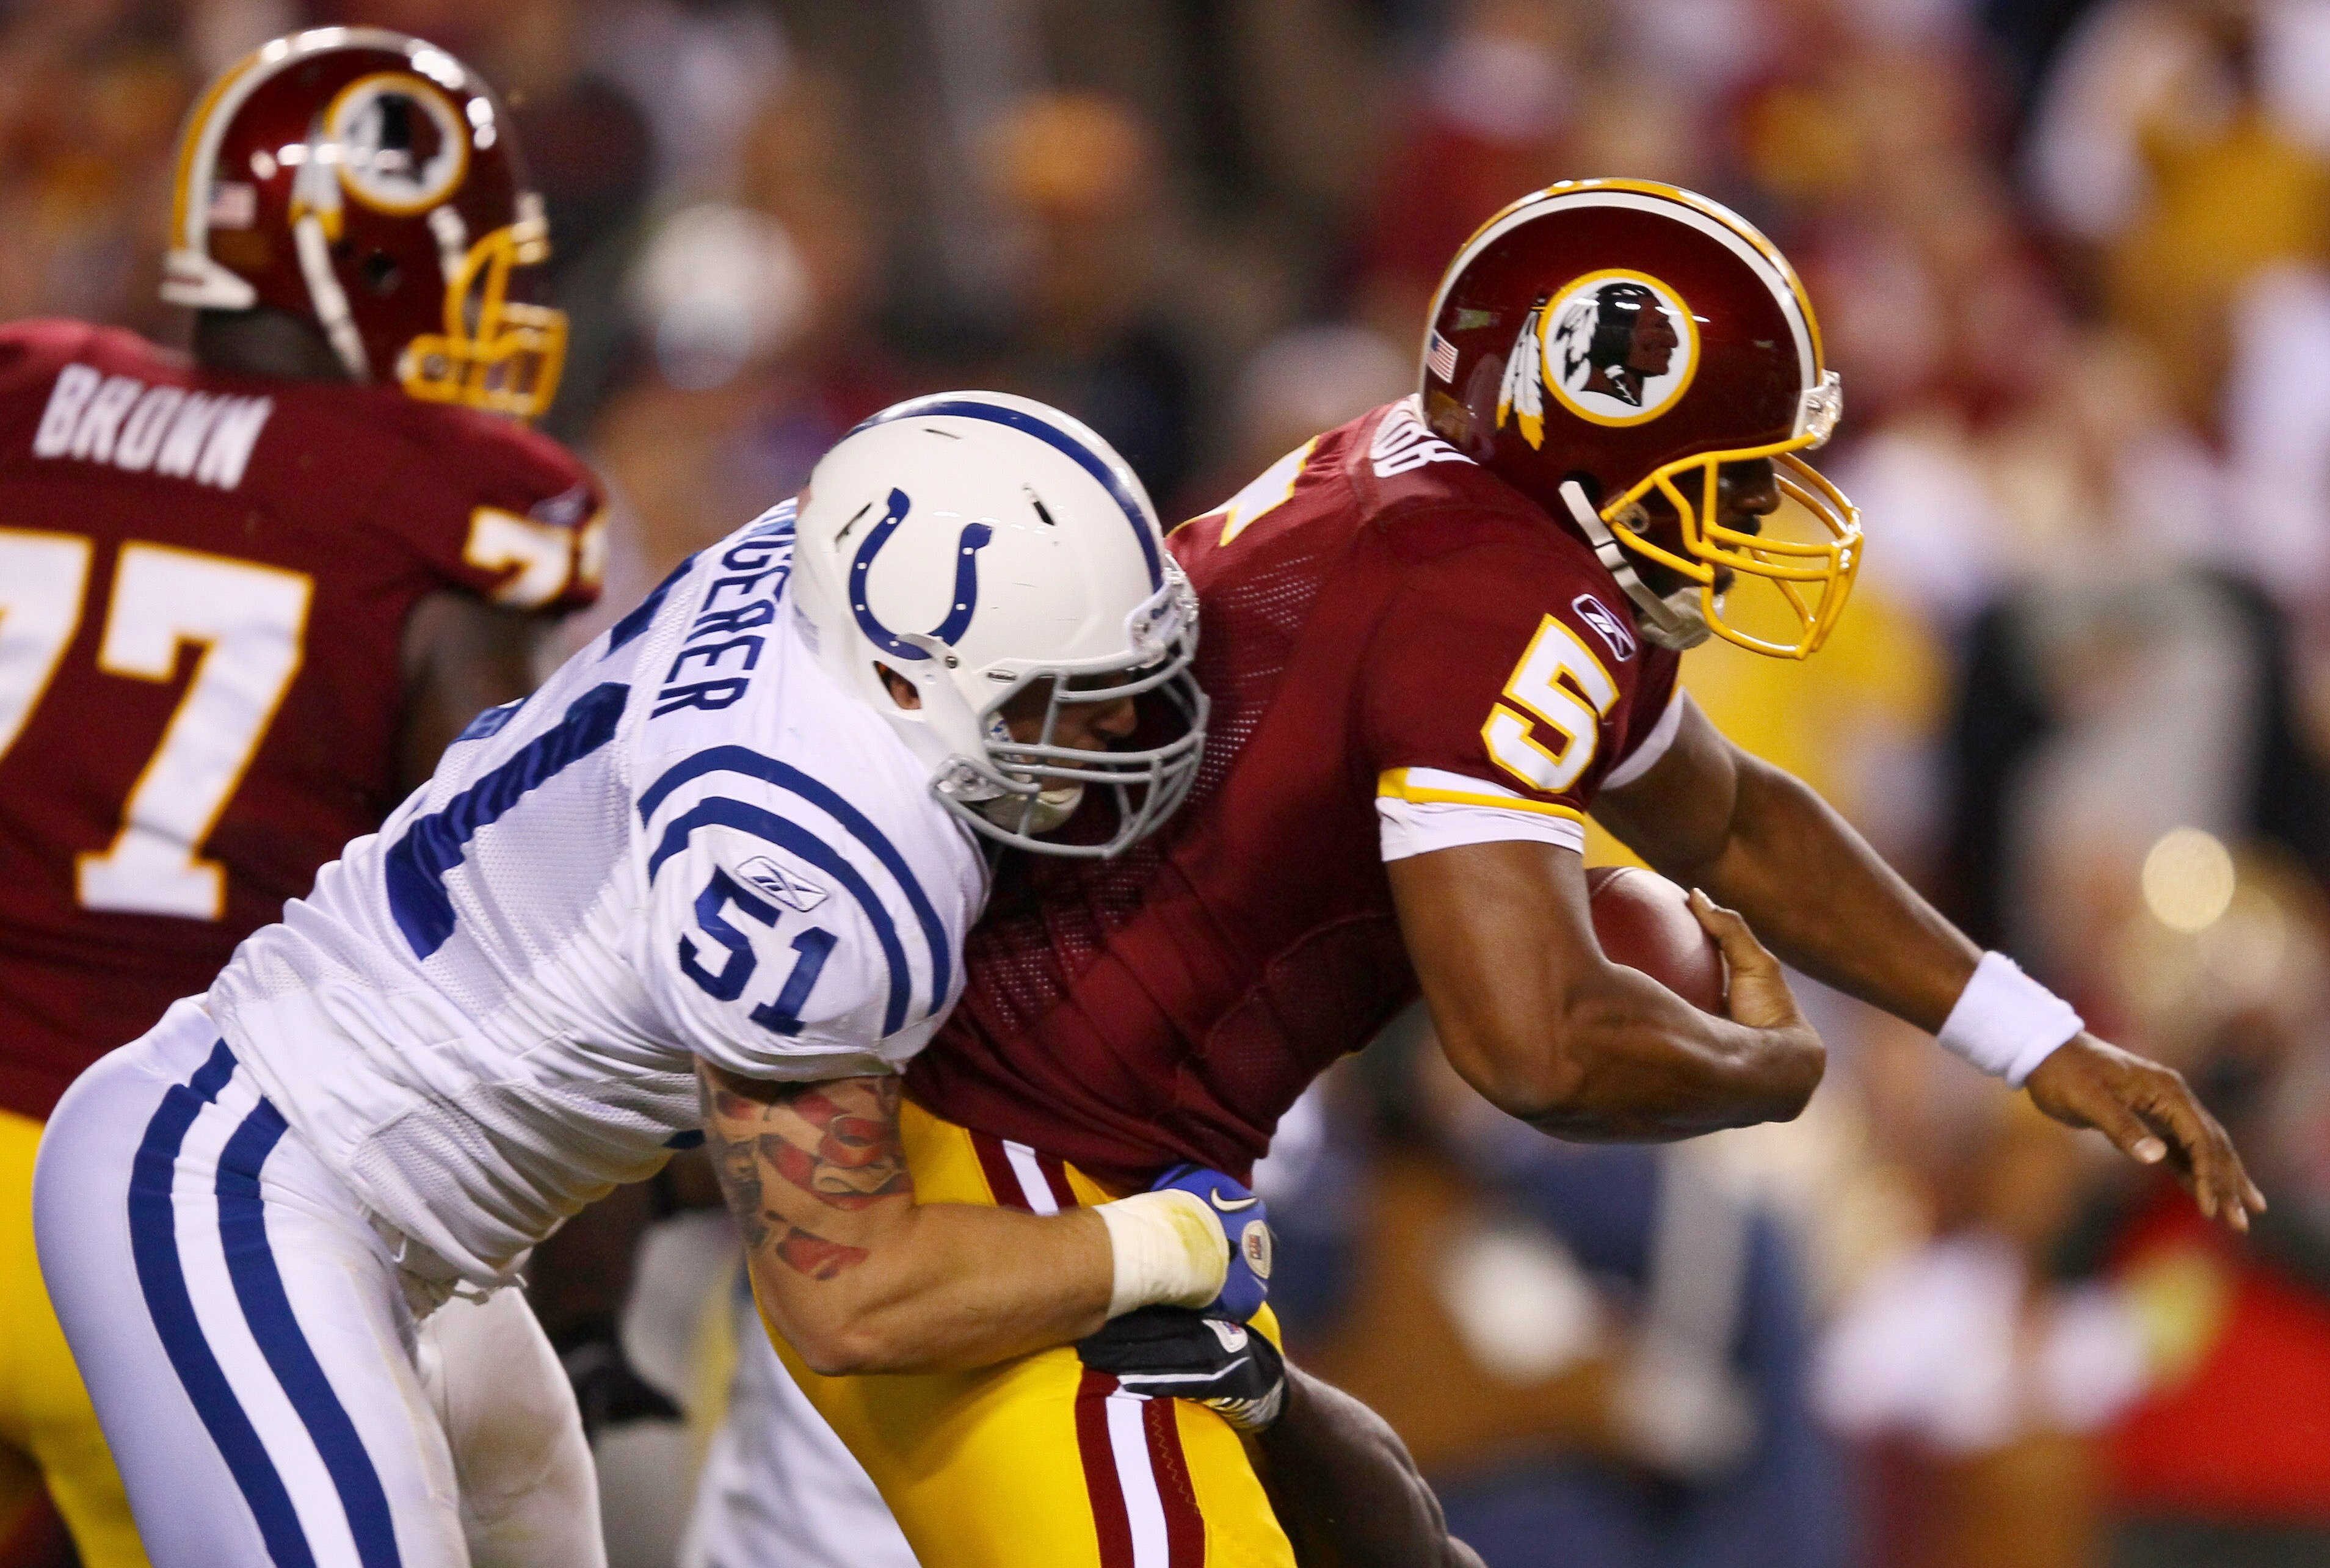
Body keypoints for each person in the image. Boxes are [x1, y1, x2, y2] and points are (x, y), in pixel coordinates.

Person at [699, 179, 2265, 1567]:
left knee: (1389, 1527)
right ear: (1598, 424)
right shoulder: (1495, 600)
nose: (1755, 517)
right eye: (1733, 473)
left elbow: (1731, 821)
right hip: (1015, 1168)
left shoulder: (1449, 500)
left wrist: (2027, 1035)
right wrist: (1766, 1073)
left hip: (1093, 1155)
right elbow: (1533, 1045)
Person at [29, 379, 1284, 1568]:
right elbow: (851, 1300)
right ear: (908, 675)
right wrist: (1165, 1245)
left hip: (411, 1224)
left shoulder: (821, 560)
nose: (1124, 727)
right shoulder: (817, 853)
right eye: (1067, 697)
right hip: (242, 1179)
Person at [0, 28, 608, 1567]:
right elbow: (507, 914)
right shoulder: (441, 500)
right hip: (134, 1195)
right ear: (377, 269)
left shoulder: (26, 393)